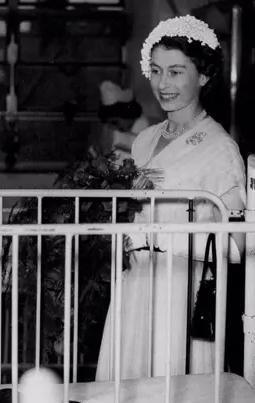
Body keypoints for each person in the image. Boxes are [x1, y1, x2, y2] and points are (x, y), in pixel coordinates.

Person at [95, 15, 246, 381]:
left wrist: (159, 236)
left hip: (182, 290)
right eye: (158, 71)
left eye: (176, 72)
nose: (164, 84)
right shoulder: (145, 139)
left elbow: (239, 245)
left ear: (204, 76)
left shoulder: (220, 148)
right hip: (136, 284)